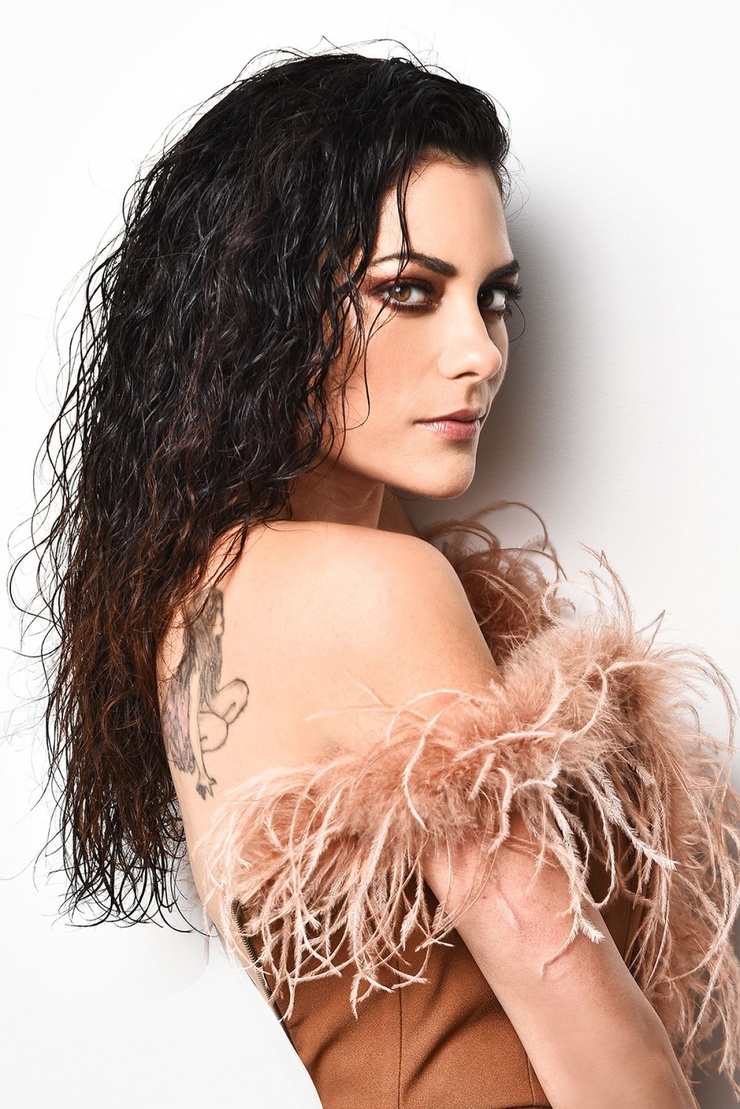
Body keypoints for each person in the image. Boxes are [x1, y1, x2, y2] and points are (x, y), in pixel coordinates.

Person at [29, 48, 739, 1108]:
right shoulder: (372, 586)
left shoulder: (204, 590)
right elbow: (575, 1010)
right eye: (407, 291)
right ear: (260, 307)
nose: (480, 351)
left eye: (493, 297)